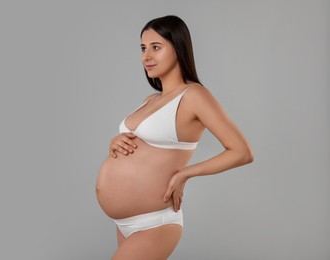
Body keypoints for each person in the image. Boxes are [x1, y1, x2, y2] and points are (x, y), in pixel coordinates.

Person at [95, 15, 254, 259]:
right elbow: (141, 146)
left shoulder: (194, 95)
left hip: (154, 224)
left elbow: (242, 151)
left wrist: (184, 174)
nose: (146, 56)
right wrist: (114, 143)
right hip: (124, 224)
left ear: (178, 48)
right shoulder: (151, 99)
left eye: (156, 47)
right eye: (143, 48)